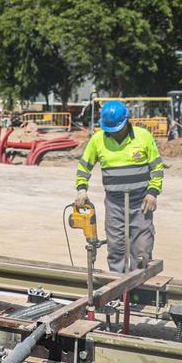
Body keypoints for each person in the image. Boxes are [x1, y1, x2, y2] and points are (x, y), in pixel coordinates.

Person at [74, 100, 164, 272]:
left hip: (141, 202)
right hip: (114, 202)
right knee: (116, 248)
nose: (113, 134)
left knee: (142, 249)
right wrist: (81, 189)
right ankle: (117, 289)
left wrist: (153, 192)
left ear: (127, 121)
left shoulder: (143, 136)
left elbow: (157, 168)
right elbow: (84, 166)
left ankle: (141, 287)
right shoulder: (97, 140)